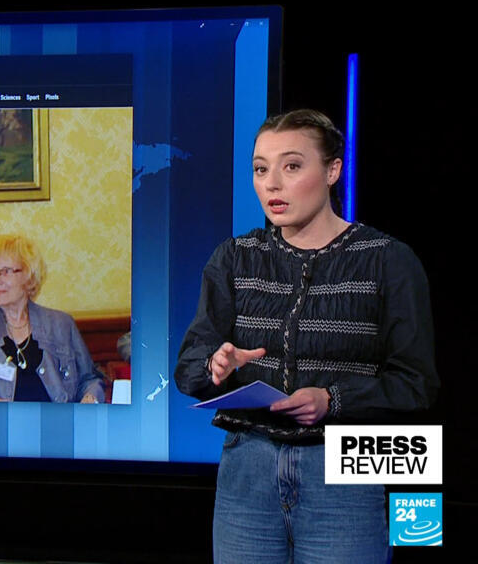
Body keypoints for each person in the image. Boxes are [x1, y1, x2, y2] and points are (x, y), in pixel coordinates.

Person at [174, 109, 439, 562]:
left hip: (346, 465)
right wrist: (216, 365)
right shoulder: (234, 258)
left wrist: (331, 400)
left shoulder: (388, 261)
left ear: (332, 171)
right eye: (261, 169)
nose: (272, 184)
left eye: (292, 166)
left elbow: (416, 385)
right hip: (247, 466)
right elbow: (188, 369)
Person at [0, 234, 105, 402]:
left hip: (55, 417)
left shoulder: (61, 325)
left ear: (28, 275)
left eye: (5, 271)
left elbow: (89, 379)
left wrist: (90, 397)